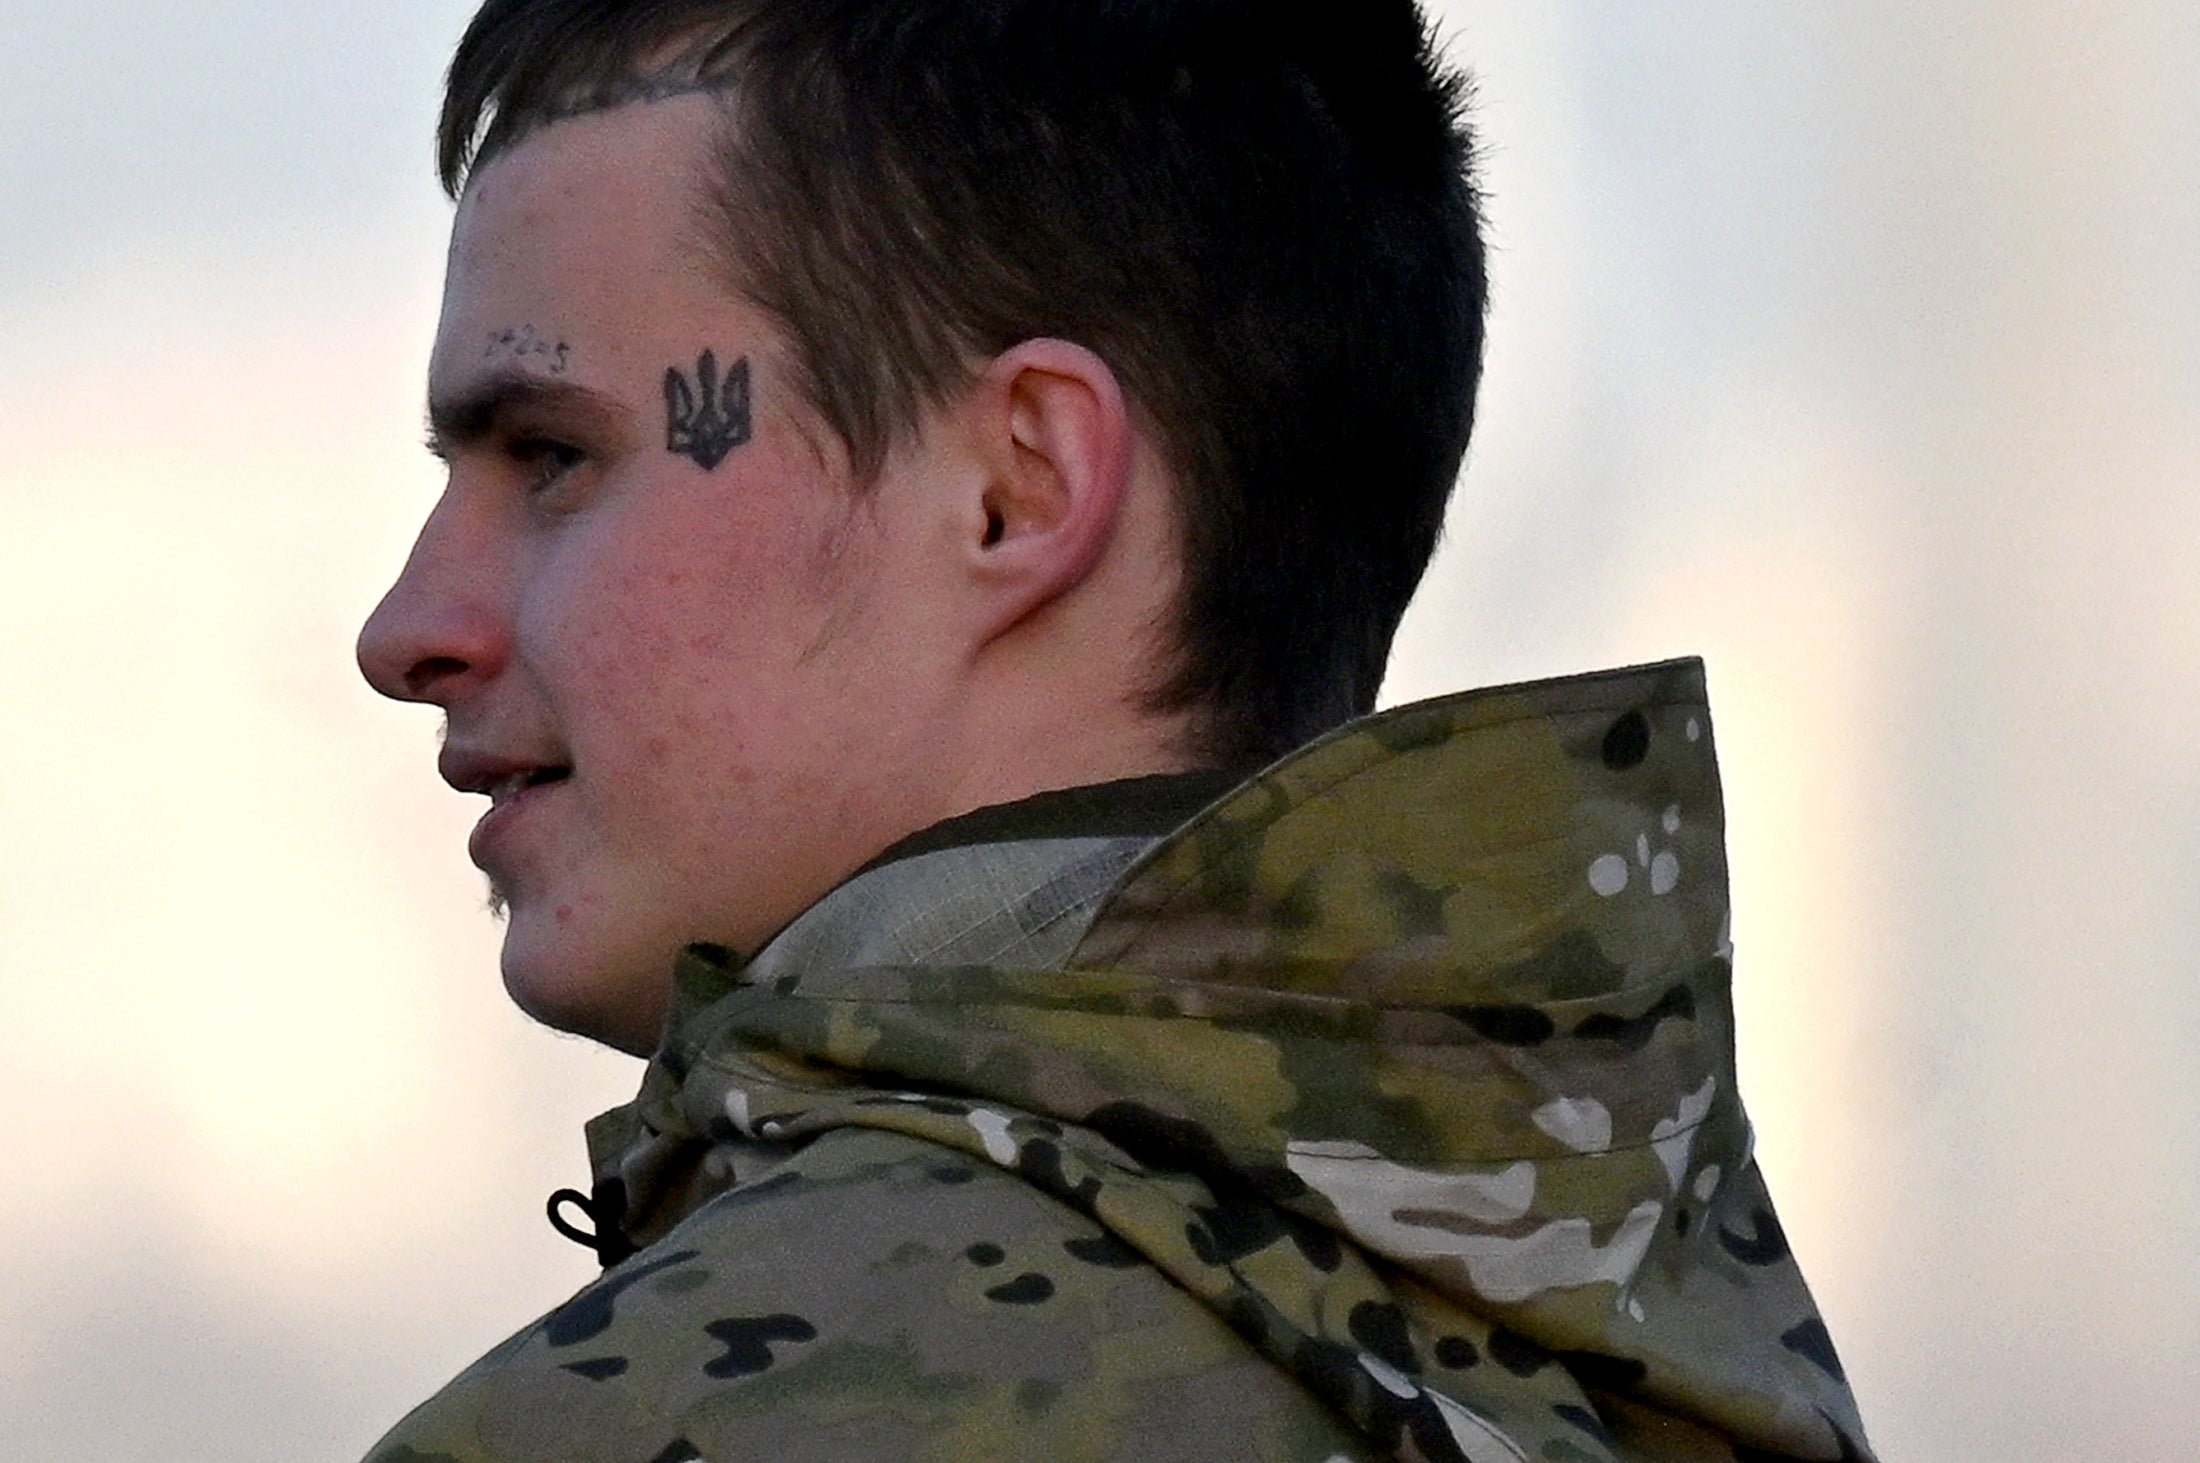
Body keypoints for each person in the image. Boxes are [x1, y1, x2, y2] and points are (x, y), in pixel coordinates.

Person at [355, 1, 1873, 1459]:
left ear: (1016, 487)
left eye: (551, 457)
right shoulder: (1674, 1381)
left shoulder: (651, 1426)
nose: (409, 628)